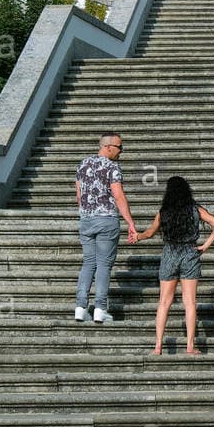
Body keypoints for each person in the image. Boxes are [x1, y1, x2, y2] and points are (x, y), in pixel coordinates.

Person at [137, 175, 214, 355]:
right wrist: (205, 246)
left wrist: (137, 236)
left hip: (169, 254)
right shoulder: (195, 210)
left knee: (164, 302)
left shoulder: (163, 212)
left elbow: (151, 232)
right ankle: (190, 346)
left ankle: (158, 346)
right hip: (190, 254)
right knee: (190, 302)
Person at [75, 133, 138, 324]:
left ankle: (80, 307)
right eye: (120, 147)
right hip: (107, 220)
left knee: (88, 263)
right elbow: (118, 196)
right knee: (103, 265)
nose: (121, 152)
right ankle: (100, 309)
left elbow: (79, 196)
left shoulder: (82, 165)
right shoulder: (112, 167)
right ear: (108, 147)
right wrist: (130, 222)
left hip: (86, 220)